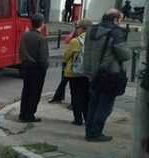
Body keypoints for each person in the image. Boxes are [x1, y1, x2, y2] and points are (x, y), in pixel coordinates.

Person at [82, 9, 131, 142]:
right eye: (120, 20)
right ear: (115, 20)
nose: (120, 23)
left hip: (92, 72)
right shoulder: (116, 32)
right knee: (105, 106)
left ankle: (89, 132)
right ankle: (95, 133)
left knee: (93, 103)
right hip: (109, 74)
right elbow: (124, 55)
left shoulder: (91, 30)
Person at [62, 19, 93, 126]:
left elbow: (66, 56)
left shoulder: (76, 41)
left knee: (75, 95)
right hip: (88, 72)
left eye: (78, 28)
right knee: (86, 96)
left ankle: (78, 119)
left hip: (74, 73)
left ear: (81, 28)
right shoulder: (94, 40)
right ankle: (88, 118)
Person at [18, 14, 49, 123]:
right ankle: (29, 114)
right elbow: (43, 57)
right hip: (37, 68)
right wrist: (45, 67)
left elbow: (20, 50)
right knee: (35, 93)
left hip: (26, 66)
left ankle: (23, 113)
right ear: (42, 24)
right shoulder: (41, 38)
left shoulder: (25, 36)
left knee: (26, 90)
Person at [49, 29, 78, 104]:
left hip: (72, 65)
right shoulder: (77, 37)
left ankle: (59, 98)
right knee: (69, 83)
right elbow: (67, 40)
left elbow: (67, 53)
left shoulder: (77, 40)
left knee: (70, 84)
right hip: (73, 65)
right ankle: (59, 98)